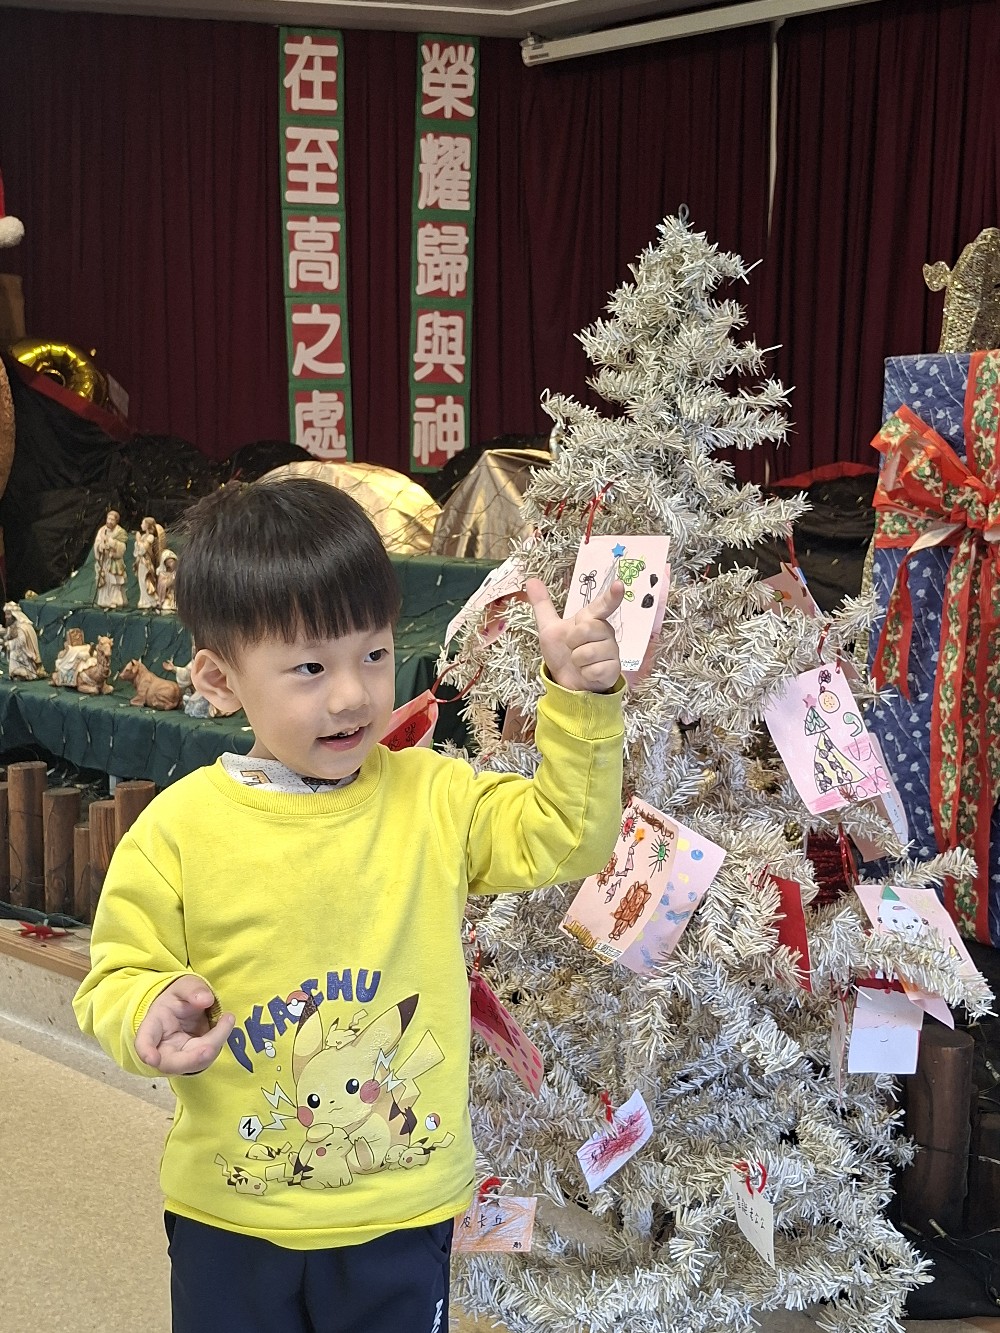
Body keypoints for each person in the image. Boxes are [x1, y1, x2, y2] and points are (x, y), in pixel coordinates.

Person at [73, 476, 625, 1333]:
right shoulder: (177, 831)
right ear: (219, 678)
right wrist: (148, 1008)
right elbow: (115, 974)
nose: (353, 695)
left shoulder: (436, 796)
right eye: (310, 667)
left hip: (400, 1209)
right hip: (234, 1212)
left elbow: (567, 835)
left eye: (373, 653)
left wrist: (579, 702)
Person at [94, 508, 128, 608]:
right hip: (104, 561)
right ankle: (104, 600)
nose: (109, 521)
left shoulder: (120, 532)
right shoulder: (102, 530)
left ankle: (115, 600)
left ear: (116, 521)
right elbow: (97, 543)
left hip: (114, 561)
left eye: (112, 519)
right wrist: (101, 547)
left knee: (114, 582)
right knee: (104, 581)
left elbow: (122, 547)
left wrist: (110, 542)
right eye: (108, 519)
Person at [134, 516, 165, 609]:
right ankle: (144, 600)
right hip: (141, 561)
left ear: (147, 525)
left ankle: (150, 600)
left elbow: (143, 549)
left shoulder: (150, 537)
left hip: (147, 562)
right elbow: (137, 551)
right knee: (141, 581)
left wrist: (138, 540)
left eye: (143, 523)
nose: (141, 525)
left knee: (146, 580)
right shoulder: (144, 536)